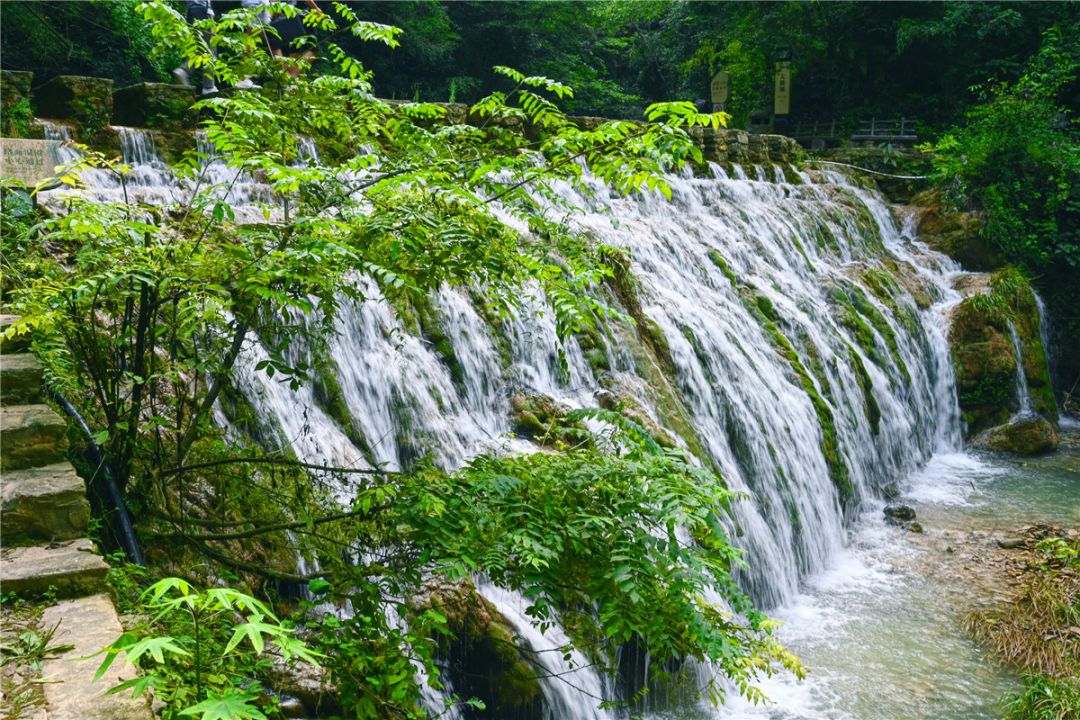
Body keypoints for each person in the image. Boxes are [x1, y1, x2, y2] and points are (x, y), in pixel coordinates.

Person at [172, 0, 219, 95]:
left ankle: (184, 71)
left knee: (201, 49)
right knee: (210, 51)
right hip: (203, 12)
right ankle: (208, 87)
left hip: (192, 13)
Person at [268, 0, 322, 78]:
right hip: (294, 11)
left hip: (289, 11)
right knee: (311, 49)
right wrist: (315, 7)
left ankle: (289, 78)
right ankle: (291, 78)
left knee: (294, 51)